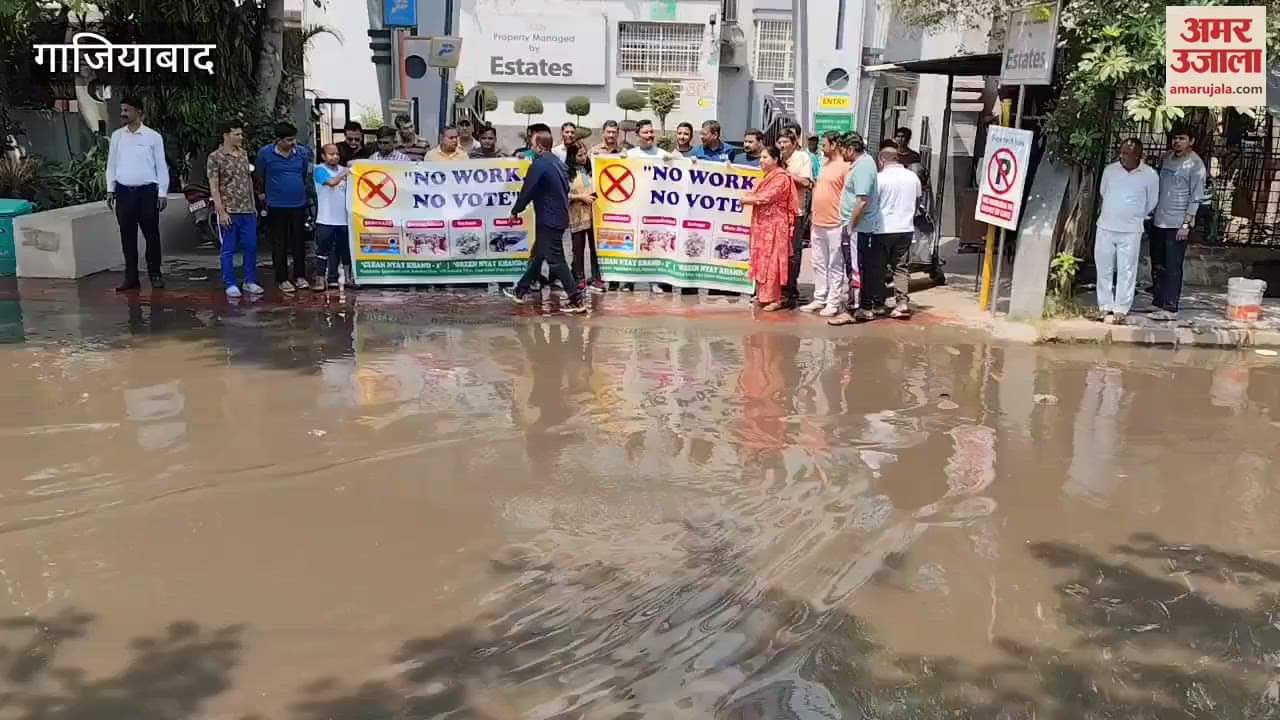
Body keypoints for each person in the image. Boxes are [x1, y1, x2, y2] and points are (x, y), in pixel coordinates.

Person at [504, 127, 588, 313]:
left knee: (556, 260)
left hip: (548, 219)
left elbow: (528, 190)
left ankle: (576, 299)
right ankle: (520, 290)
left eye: (532, 144)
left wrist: (515, 210)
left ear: (539, 146)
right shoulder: (556, 162)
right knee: (540, 254)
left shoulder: (539, 165)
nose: (530, 146)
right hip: (558, 216)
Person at [105, 95, 168, 292]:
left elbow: (161, 166)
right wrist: (110, 189)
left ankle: (155, 274)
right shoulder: (117, 136)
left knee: (151, 234)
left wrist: (163, 193)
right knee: (127, 236)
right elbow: (111, 165)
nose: (123, 114)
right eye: (122, 110)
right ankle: (131, 277)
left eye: (127, 110)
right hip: (124, 192)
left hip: (147, 192)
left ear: (139, 112)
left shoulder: (153, 137)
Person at [1095, 138, 1159, 324]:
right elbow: (1103, 192)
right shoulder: (1110, 170)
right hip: (1106, 226)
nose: (1122, 156)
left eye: (1126, 153)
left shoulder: (1150, 175)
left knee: (1127, 270)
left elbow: (1151, 202)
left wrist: (1134, 215)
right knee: (1104, 268)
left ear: (1138, 155)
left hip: (1131, 230)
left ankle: (1121, 309)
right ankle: (1104, 306)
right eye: (1121, 152)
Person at [1149, 127, 1207, 321]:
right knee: (1158, 264)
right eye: (1175, 138)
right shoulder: (1167, 158)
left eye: (1182, 138)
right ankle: (1158, 302)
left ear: (1191, 141)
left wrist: (1186, 225)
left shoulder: (1196, 165)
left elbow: (1196, 197)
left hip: (1177, 223)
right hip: (1159, 219)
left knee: (1173, 266)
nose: (1177, 142)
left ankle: (1170, 306)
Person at [828, 132, 881, 326]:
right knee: (860, 267)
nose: (841, 154)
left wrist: (850, 225)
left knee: (855, 269)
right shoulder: (861, 164)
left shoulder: (863, 167)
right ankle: (864, 307)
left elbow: (862, 200)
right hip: (857, 227)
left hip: (857, 228)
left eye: (842, 149)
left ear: (851, 149)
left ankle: (852, 309)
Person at [255, 121, 315, 293]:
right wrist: (263, 196)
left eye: (293, 139)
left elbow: (303, 174)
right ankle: (282, 279)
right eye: (288, 140)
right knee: (279, 243)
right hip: (276, 204)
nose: (292, 143)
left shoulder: (301, 153)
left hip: (298, 203)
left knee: (298, 241)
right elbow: (260, 175)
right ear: (278, 140)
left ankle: (300, 276)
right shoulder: (265, 153)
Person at [207, 119, 263, 298]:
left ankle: (250, 280)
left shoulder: (244, 154)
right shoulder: (215, 157)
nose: (241, 137)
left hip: (247, 209)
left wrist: (254, 206)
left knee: (251, 246)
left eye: (241, 134)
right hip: (229, 209)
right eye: (236, 134)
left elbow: (248, 182)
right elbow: (214, 186)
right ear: (226, 135)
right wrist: (221, 211)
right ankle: (230, 282)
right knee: (228, 248)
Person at [801, 130, 850, 317]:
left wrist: (845, 220)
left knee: (835, 265)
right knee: (818, 262)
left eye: (825, 144)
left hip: (836, 223)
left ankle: (833, 301)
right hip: (818, 221)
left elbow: (848, 195)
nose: (822, 147)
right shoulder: (823, 163)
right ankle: (819, 297)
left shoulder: (845, 166)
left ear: (835, 144)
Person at [742, 146, 798, 311]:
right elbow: (755, 193)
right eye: (761, 157)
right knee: (760, 259)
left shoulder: (781, 178)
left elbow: (767, 197)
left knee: (772, 260)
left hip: (775, 225)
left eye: (765, 157)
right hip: (762, 224)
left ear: (775, 160)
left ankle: (775, 298)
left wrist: (747, 200)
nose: (761, 160)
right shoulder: (765, 177)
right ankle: (762, 295)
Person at [873, 145, 922, 319]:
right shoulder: (912, 177)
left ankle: (878, 303)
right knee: (901, 267)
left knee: (878, 266)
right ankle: (902, 303)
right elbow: (917, 203)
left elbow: (873, 205)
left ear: (882, 160)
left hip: (883, 229)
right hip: (906, 229)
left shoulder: (880, 179)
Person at [779, 132, 814, 309]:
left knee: (793, 252)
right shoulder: (774, 157)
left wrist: (785, 175)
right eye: (780, 142)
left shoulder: (802, 158)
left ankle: (791, 288)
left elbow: (806, 183)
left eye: (785, 142)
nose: (782, 145)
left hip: (796, 212)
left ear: (794, 143)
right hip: (776, 214)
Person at [314, 143, 353, 292]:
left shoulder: (344, 170)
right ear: (323, 156)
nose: (335, 156)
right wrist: (345, 173)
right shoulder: (319, 170)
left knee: (345, 250)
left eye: (337, 153)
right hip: (325, 219)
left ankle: (345, 278)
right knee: (323, 250)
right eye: (331, 154)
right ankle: (319, 279)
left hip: (343, 219)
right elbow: (331, 183)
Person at [566, 140, 604, 293]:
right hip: (577, 216)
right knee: (578, 249)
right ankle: (579, 278)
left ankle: (597, 278)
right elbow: (563, 194)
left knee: (596, 249)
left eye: (585, 154)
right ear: (572, 156)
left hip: (595, 215)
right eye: (579, 155)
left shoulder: (592, 169)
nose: (583, 158)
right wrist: (580, 197)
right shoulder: (566, 172)